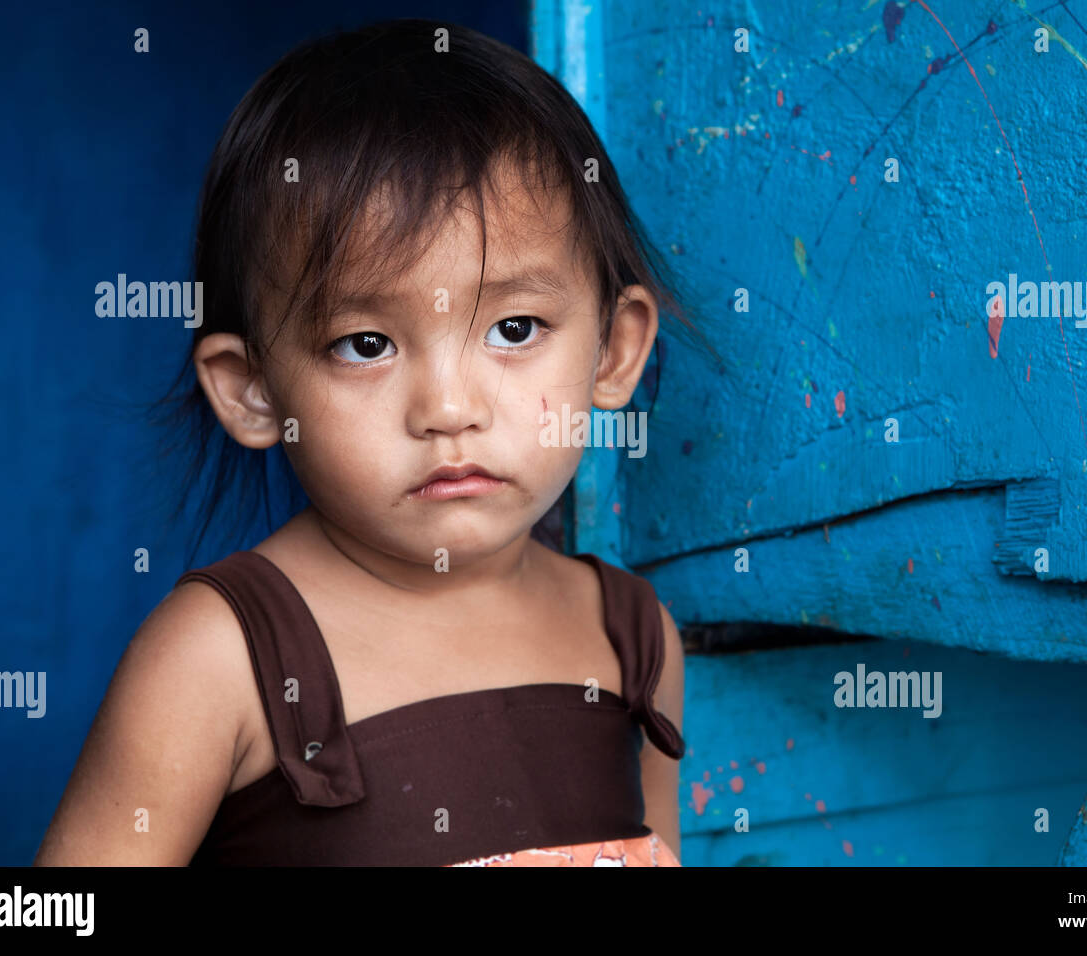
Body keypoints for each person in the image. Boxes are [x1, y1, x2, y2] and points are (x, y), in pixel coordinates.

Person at [35, 18, 704, 867]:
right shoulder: (219, 658)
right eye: (366, 345)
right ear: (253, 390)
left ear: (612, 352)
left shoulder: (633, 639)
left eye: (514, 326)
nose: (449, 408)